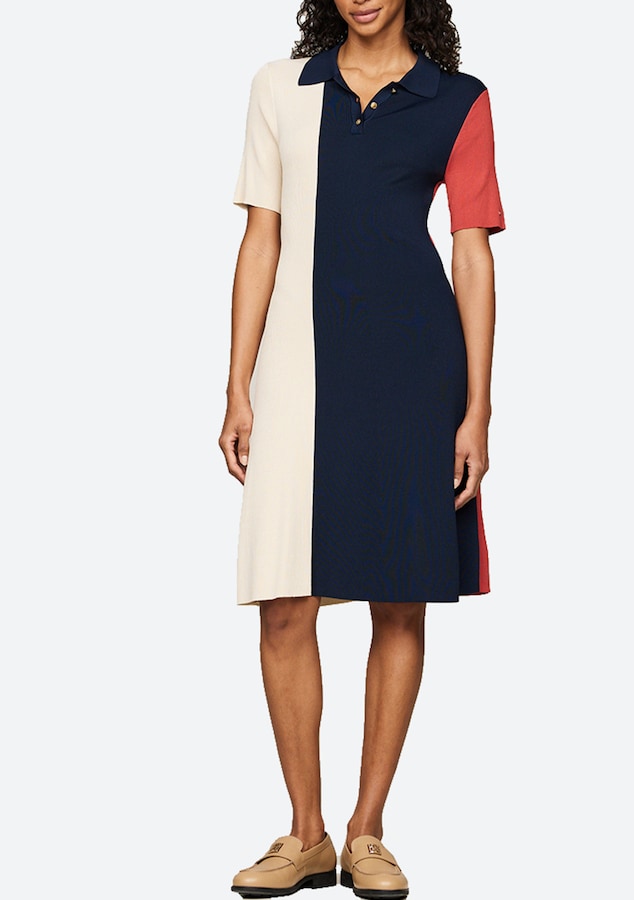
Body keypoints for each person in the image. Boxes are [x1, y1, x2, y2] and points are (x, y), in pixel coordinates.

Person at [218, 0, 506, 896]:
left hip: (412, 370)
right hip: (296, 369)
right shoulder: (280, 87)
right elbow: (261, 238)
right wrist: (236, 383)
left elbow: (470, 253)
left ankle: (366, 831)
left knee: (399, 598)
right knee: (282, 600)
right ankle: (304, 834)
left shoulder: (458, 99)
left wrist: (477, 408)